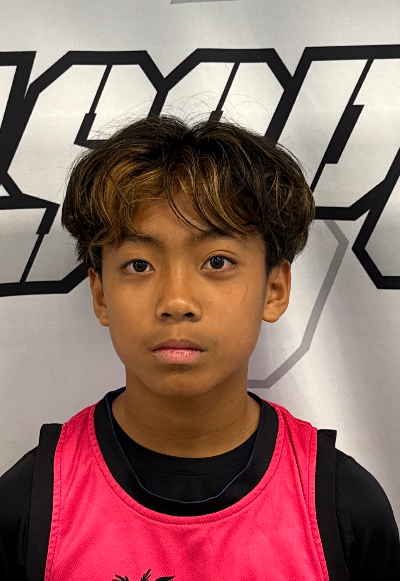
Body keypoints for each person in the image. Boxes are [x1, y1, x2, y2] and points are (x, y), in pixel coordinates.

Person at [0, 115, 399, 581]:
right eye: (138, 265)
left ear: (274, 289)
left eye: (217, 261)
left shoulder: (344, 507)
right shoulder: (28, 507)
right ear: (101, 294)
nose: (176, 301)